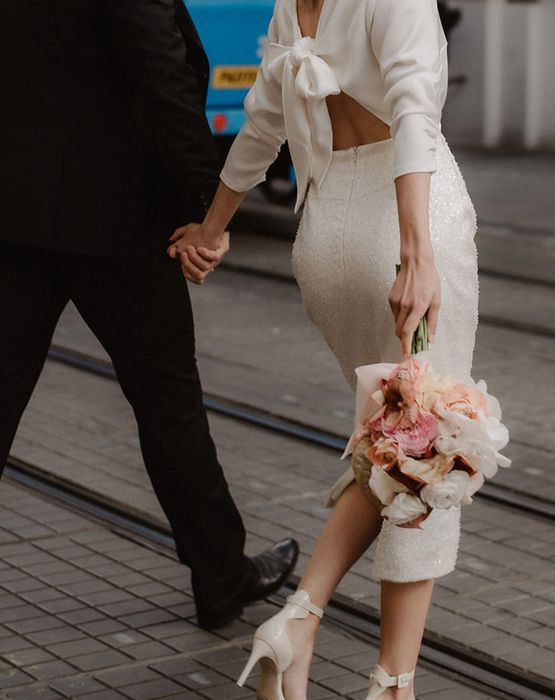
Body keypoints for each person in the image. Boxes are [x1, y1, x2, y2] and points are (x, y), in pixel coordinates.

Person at [169, 0, 478, 697]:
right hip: (399, 231)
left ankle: (299, 624)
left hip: (325, 238)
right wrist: (417, 252)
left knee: (394, 441)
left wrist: (213, 230)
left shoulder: (291, 6)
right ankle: (388, 681)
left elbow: (261, 127)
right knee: (426, 452)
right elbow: (412, 116)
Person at [0, 0, 299, 631]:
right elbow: (161, 72)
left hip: (16, 212)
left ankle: (222, 572)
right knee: (169, 404)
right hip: (116, 220)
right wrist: (206, 211)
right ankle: (221, 578)